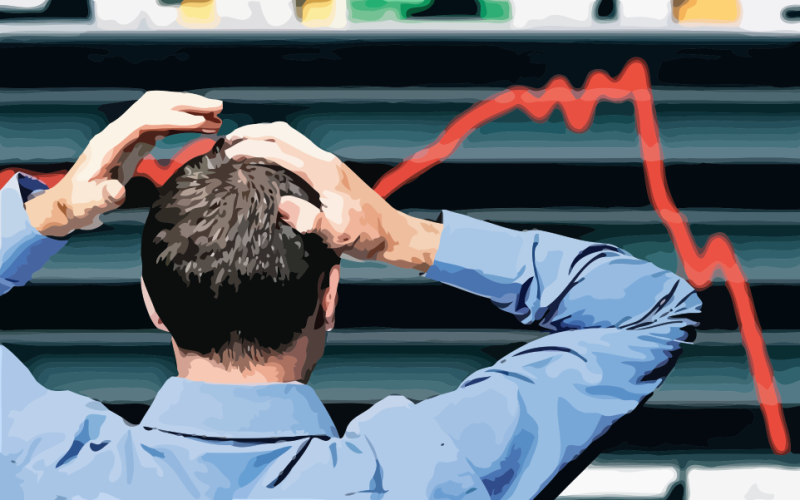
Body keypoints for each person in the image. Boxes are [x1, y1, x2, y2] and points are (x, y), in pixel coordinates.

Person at [0, 92, 701, 499]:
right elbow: (649, 312)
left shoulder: (46, 464)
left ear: (152, 301)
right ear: (328, 296)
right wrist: (402, 238)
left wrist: (51, 211)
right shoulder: (429, 471)